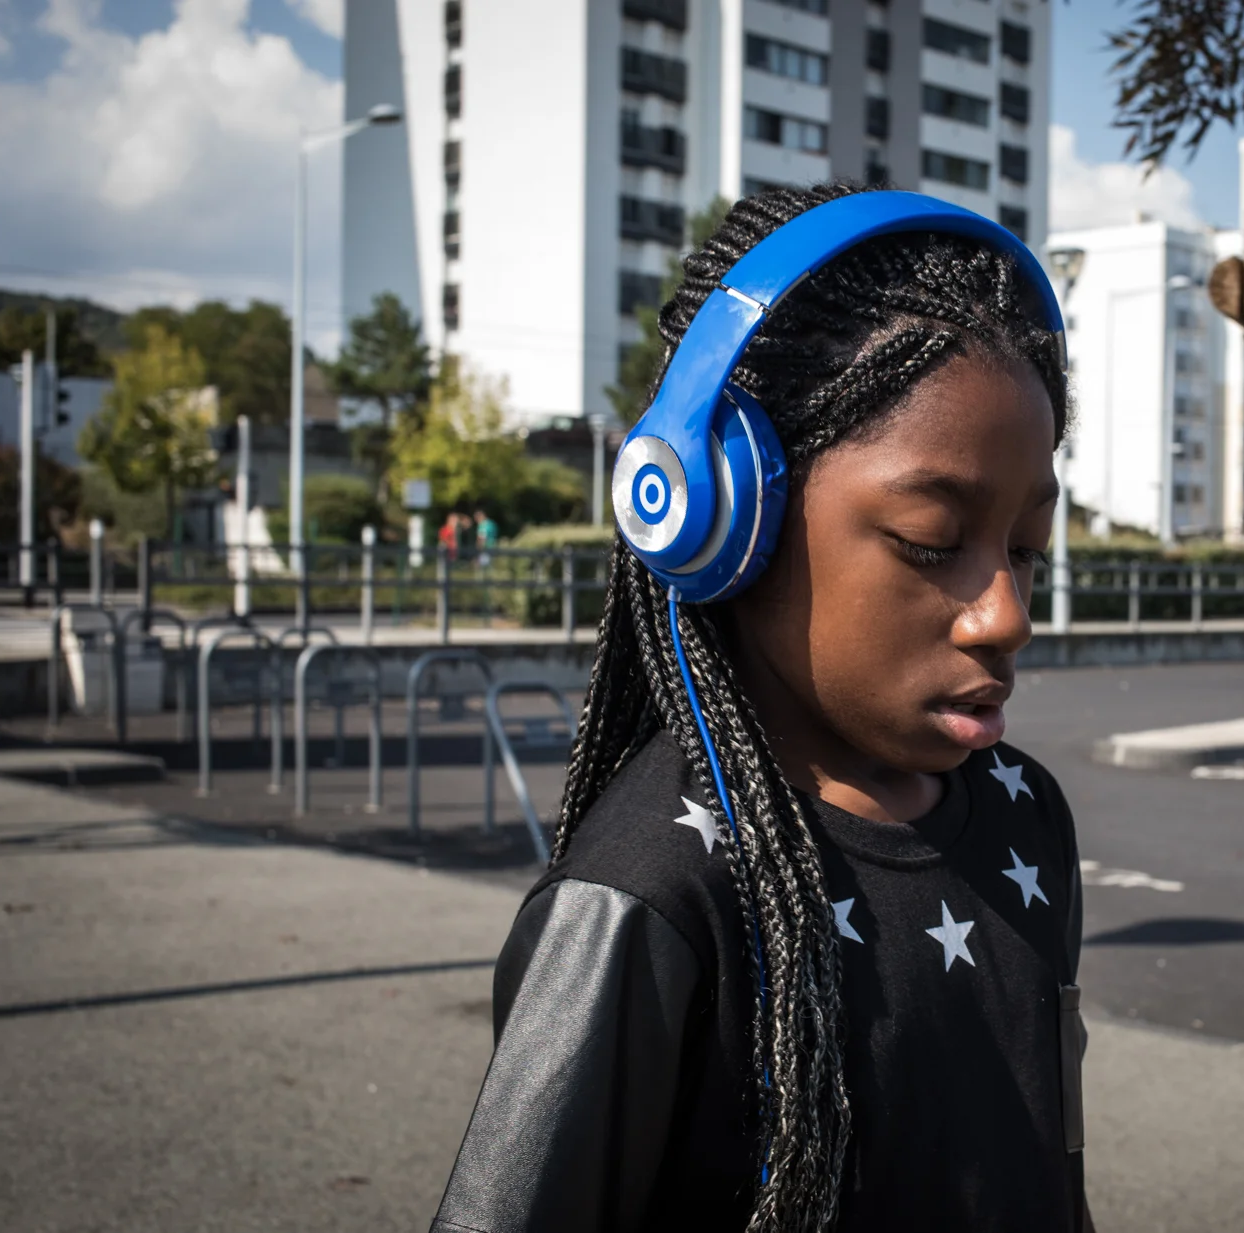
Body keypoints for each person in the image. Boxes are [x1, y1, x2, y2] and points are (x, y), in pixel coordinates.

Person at [432, 184, 1089, 1233]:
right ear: (716, 509)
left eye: (1026, 549)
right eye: (931, 539)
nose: (1003, 614)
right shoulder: (648, 894)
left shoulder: (1025, 815)